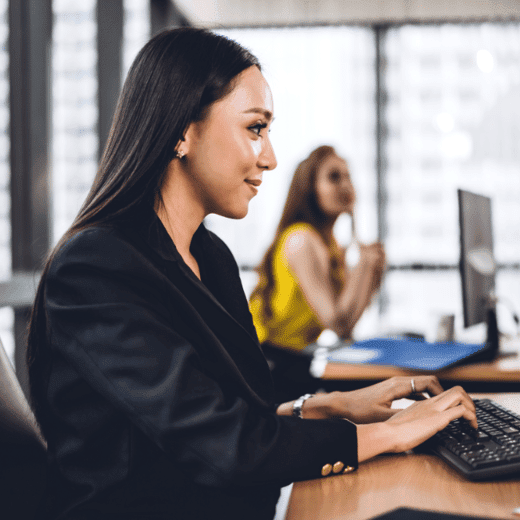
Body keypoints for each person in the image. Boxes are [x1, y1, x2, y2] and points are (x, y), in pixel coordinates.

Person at [27, 28, 477, 520]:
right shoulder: (95, 267)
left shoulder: (210, 256)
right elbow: (227, 446)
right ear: (182, 131)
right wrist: (390, 432)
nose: (271, 157)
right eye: (255, 128)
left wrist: (329, 407)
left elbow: (234, 418)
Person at [249, 145, 385, 401]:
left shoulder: (330, 244)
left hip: (294, 359)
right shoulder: (301, 239)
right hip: (268, 364)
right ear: (310, 188)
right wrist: (362, 268)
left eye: (348, 176)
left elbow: (347, 328)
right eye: (334, 177)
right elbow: (336, 320)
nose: (346, 185)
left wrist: (370, 274)